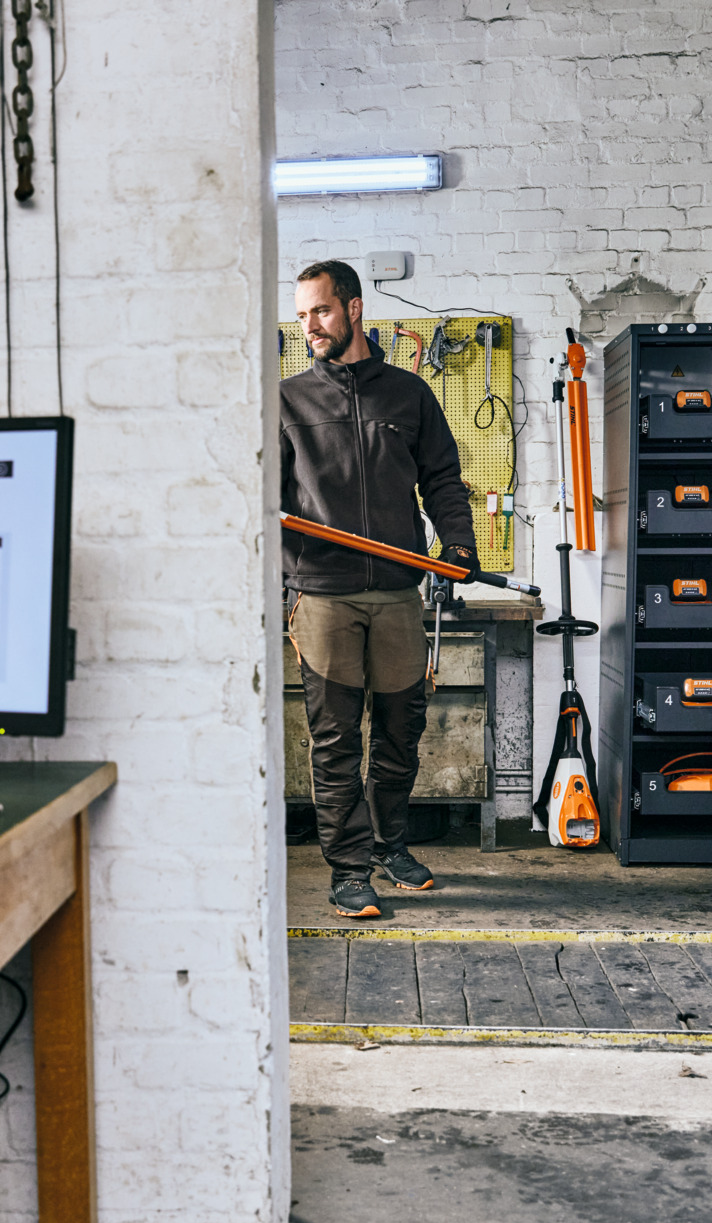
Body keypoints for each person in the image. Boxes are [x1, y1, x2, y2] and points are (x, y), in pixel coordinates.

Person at [279, 260, 479, 919]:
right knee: (335, 741)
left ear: (355, 309)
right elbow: (267, 503)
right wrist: (291, 575)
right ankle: (347, 869)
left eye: (322, 311)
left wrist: (459, 547)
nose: (311, 325)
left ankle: (390, 845)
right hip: (324, 595)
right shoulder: (288, 402)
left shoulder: (409, 395)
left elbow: (444, 481)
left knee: (402, 730)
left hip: (398, 591)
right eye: (303, 313)